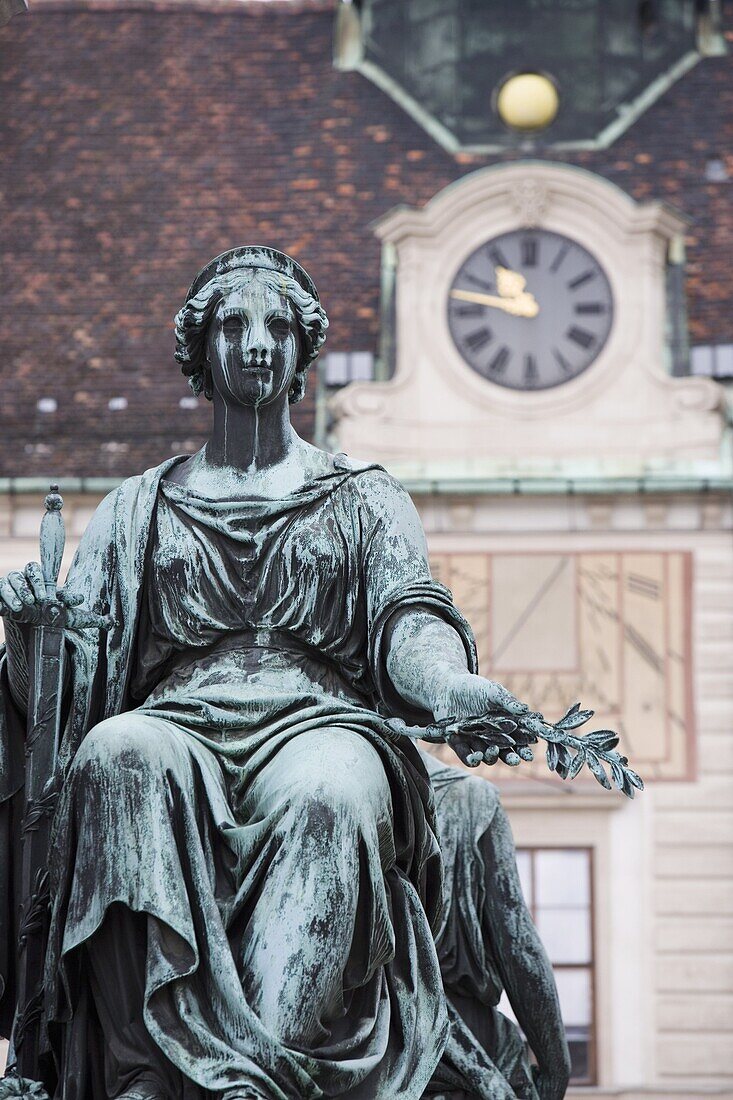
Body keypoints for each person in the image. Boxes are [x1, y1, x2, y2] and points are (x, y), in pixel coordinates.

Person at [0, 247, 558, 1100]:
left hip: (321, 718)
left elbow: (407, 616)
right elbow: (73, 673)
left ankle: (260, 1073)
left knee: (329, 793)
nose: (257, 343)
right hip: (177, 720)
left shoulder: (362, 496)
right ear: (200, 351)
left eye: (278, 327)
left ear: (302, 353)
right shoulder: (135, 508)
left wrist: (449, 689)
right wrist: (32, 630)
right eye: (233, 325)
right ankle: (156, 1063)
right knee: (116, 754)